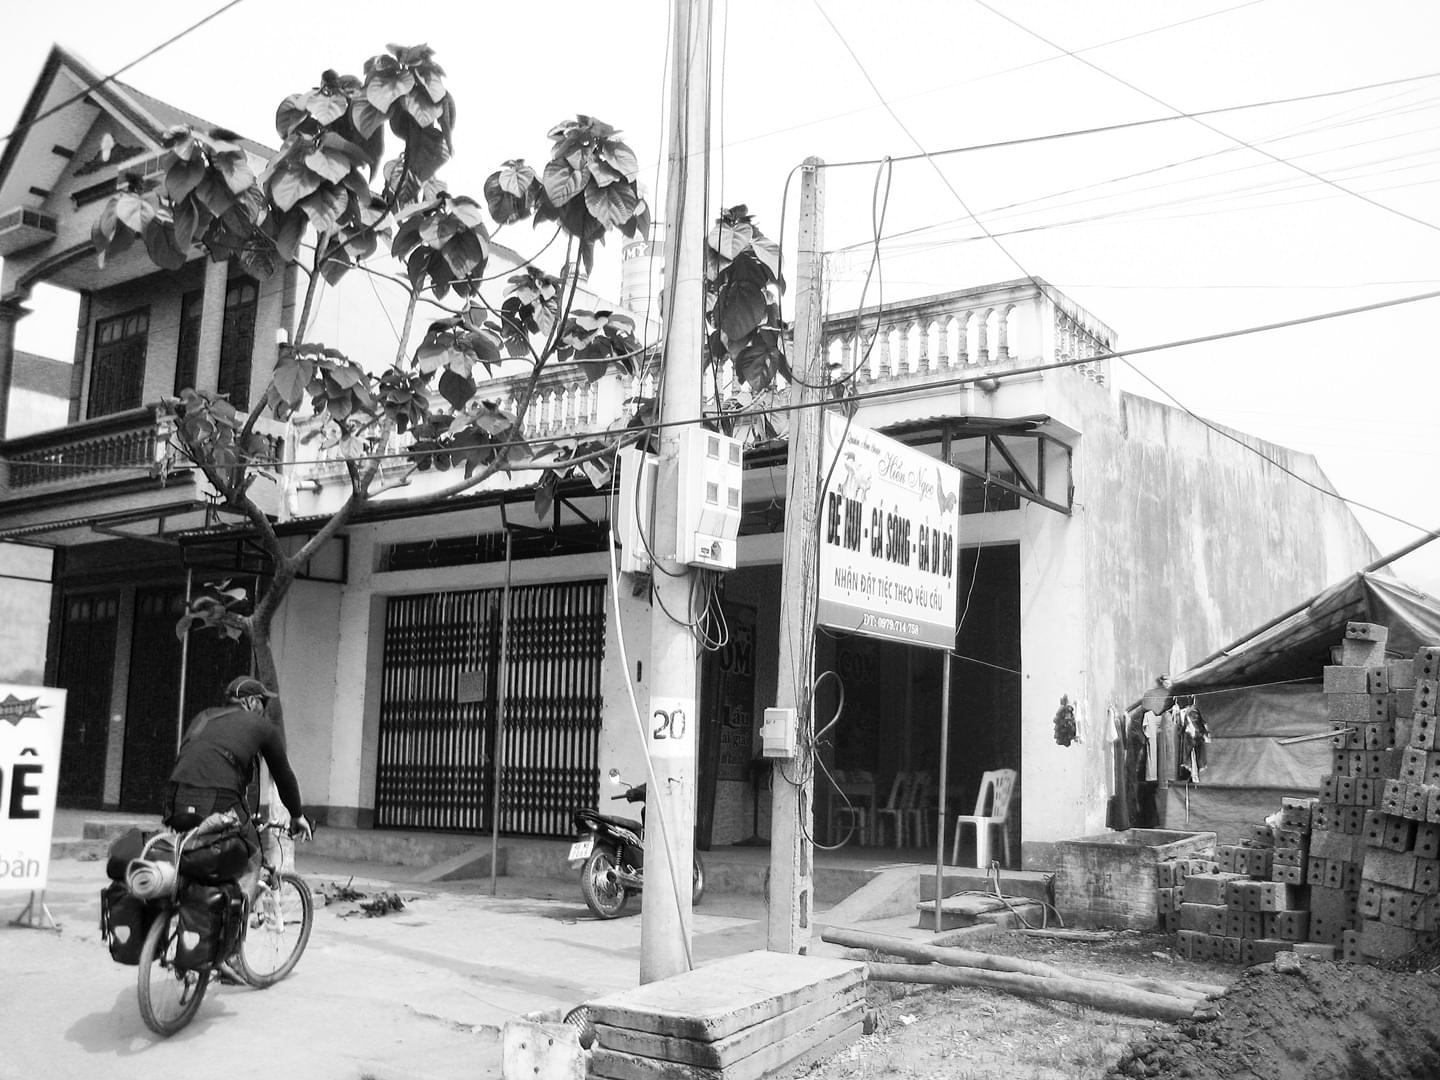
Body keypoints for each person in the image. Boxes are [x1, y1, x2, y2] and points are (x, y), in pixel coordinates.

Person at [164, 675, 313, 900]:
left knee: (191, 854)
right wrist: (297, 815)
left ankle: (185, 902)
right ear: (250, 701)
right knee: (252, 855)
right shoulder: (262, 726)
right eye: (263, 702)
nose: (264, 709)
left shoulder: (203, 717)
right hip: (217, 800)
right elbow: (284, 777)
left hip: (175, 799)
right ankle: (236, 919)